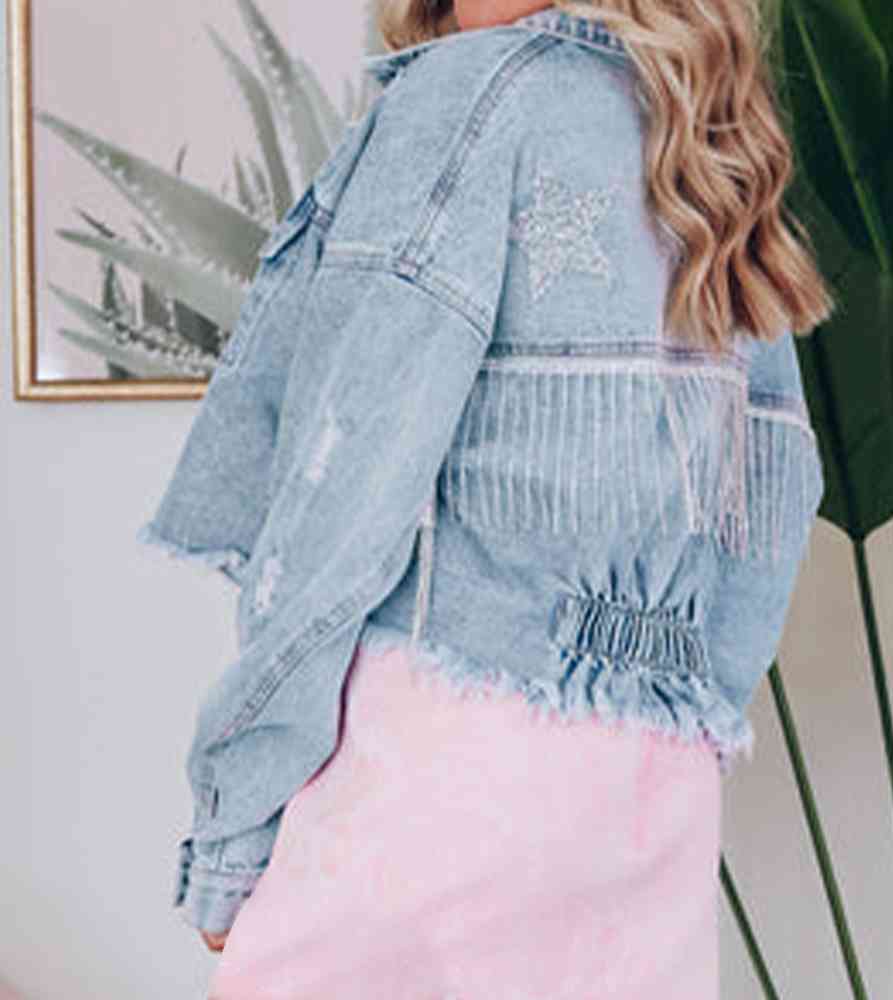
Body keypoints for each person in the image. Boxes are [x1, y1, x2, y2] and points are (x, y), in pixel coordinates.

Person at [138, 0, 833, 995]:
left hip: (431, 770)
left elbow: (345, 486)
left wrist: (234, 828)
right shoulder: (706, 136)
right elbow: (767, 498)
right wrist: (661, 733)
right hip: (648, 797)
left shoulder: (465, 98)